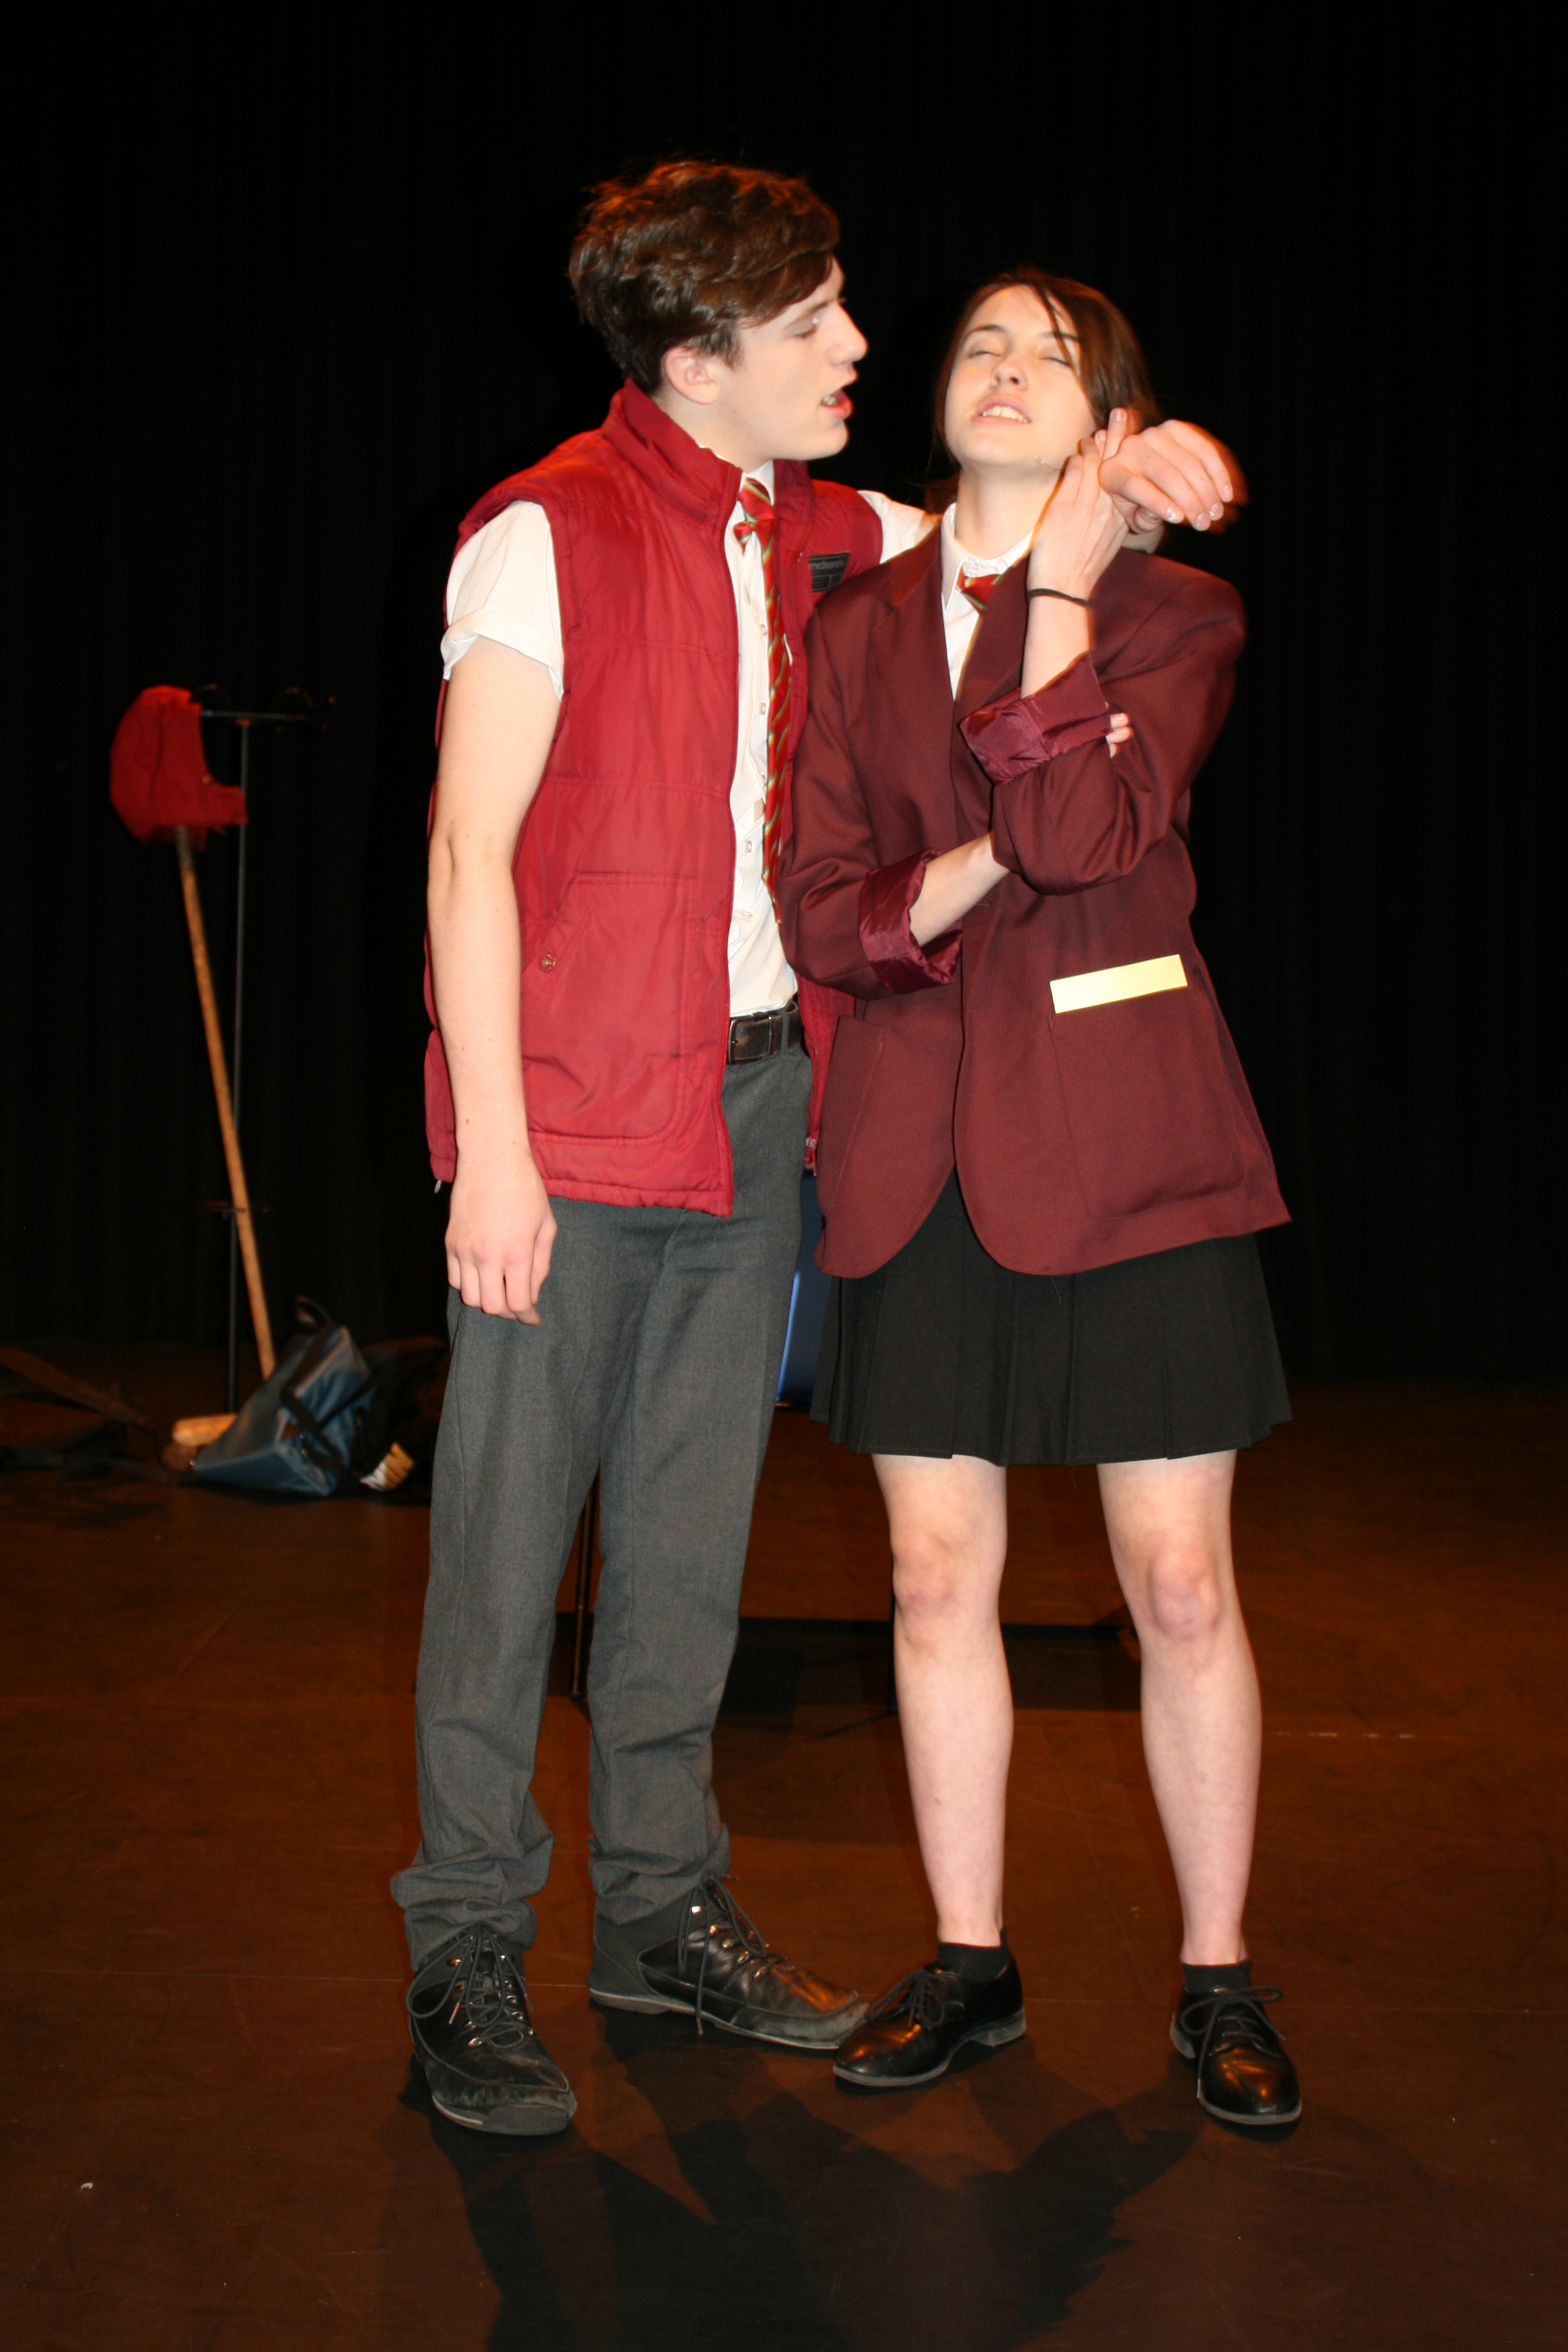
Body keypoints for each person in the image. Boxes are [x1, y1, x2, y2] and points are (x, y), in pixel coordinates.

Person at [394, 166, 1242, 2137]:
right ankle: (467, 1941)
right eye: (817, 324)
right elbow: (464, 856)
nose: (864, 344)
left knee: (689, 1544)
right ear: (701, 361)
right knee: (506, 1553)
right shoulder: (544, 533)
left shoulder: (825, 528)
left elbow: (1022, 526)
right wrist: (492, 1148)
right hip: (572, 1116)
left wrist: (1151, 453)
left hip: (767, 1100)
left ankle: (659, 1913)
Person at [778, 267, 1301, 2126]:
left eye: (1051, 357)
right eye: (981, 345)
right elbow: (823, 915)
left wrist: (1064, 594)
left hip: (1127, 1133)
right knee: (934, 1578)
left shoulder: (1177, 610)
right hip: (917, 1143)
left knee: (1180, 1584)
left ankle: (1219, 1978)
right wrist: (964, 873)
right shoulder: (855, 626)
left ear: (1112, 425)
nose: (1003, 369)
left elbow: (1081, 838)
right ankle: (970, 1960)